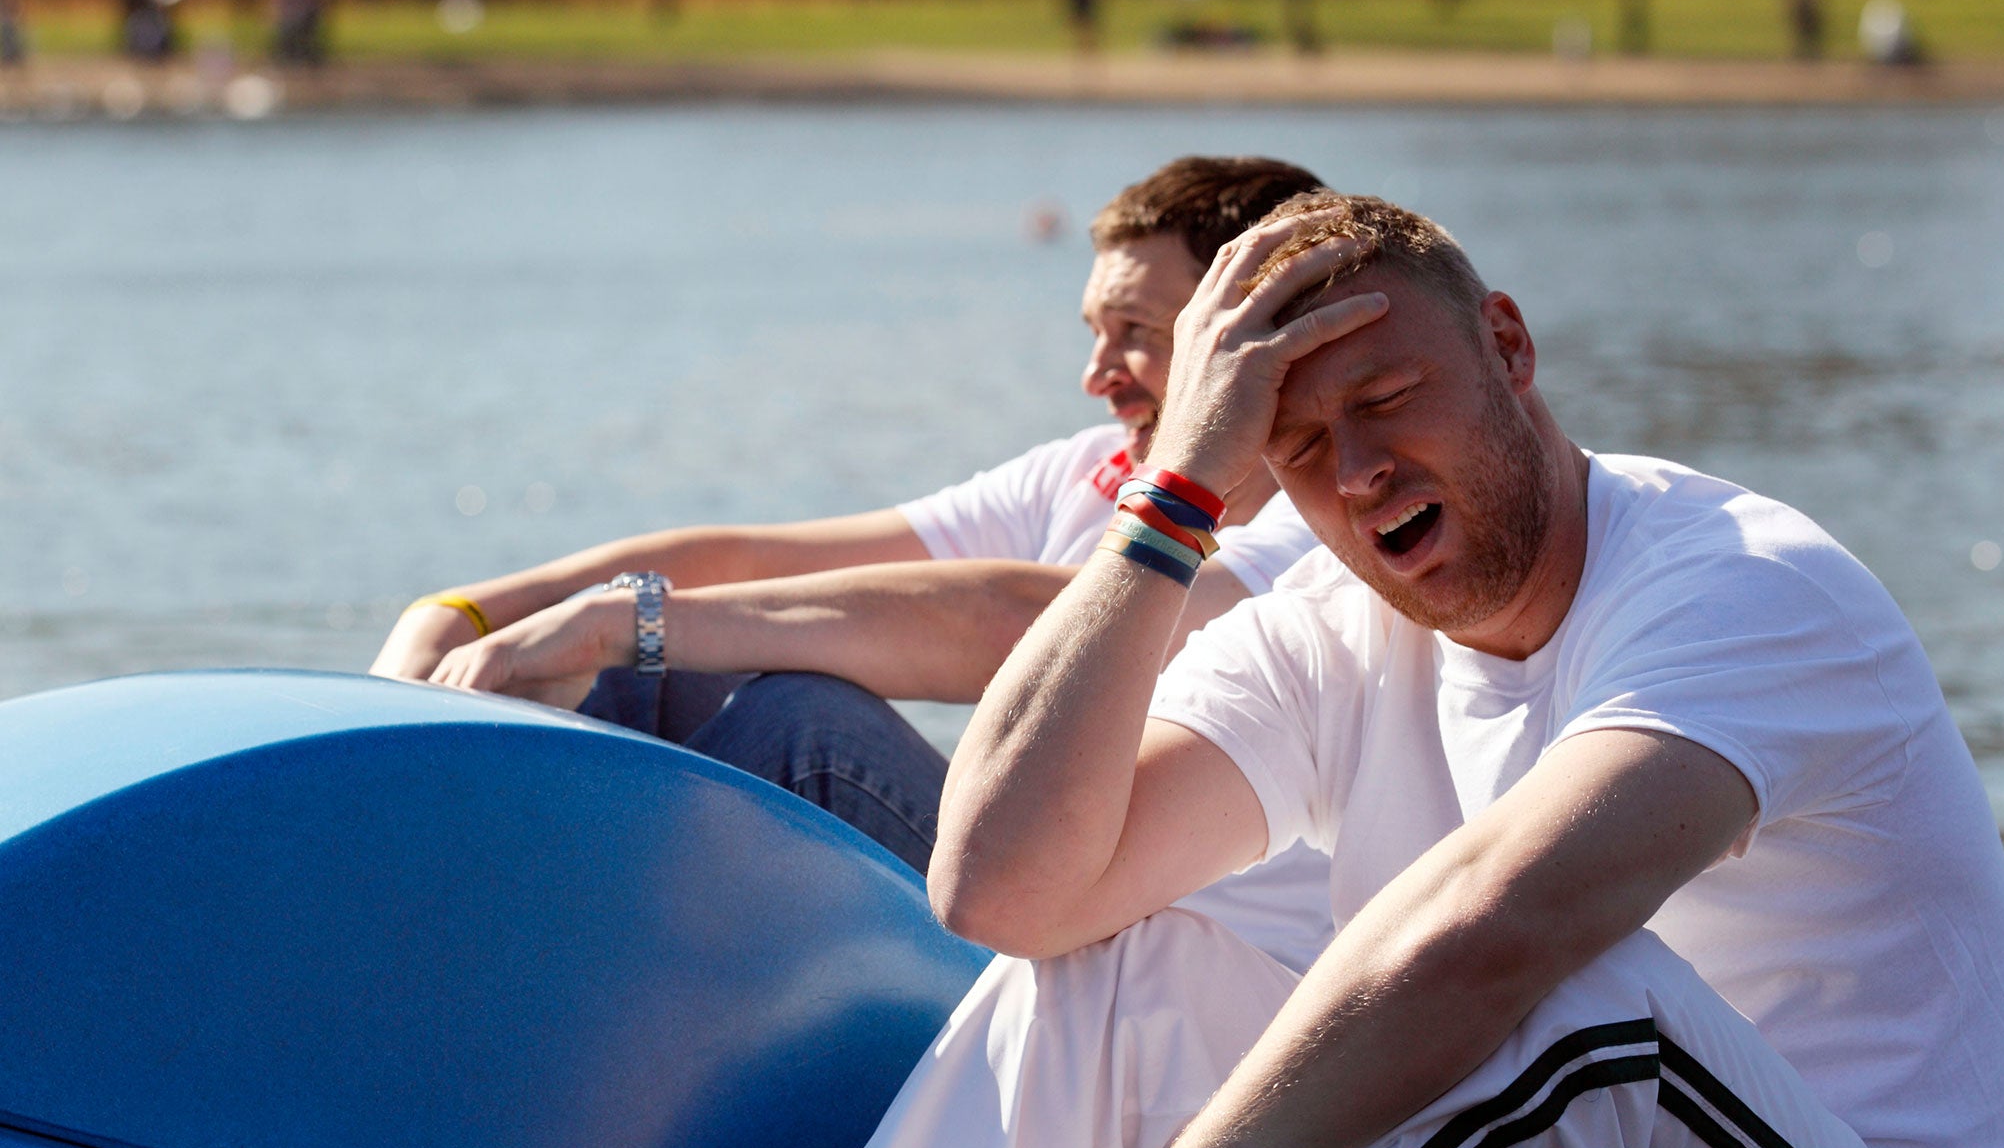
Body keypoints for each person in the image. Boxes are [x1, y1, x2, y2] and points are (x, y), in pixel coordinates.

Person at [834, 191, 2004, 1148]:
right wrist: (1172, 490)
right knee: (1122, 956)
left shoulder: (1743, 585)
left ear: (1506, 349)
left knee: (1576, 1000)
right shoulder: (1325, 630)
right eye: (1298, 446)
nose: (1358, 472)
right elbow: (1001, 890)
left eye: (1382, 401)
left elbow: (1493, 931)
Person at [375, 156, 1337, 971]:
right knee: (640, 685)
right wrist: (472, 609)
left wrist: (632, 618)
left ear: (1246, 339)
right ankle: (424, 921)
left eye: (1137, 334)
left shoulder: (1323, 524)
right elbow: (749, 557)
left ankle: (526, 975)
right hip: (1016, 885)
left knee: (807, 731)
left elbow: (1008, 620)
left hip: (1152, 950)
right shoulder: (1092, 470)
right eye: (1094, 330)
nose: (1097, 373)